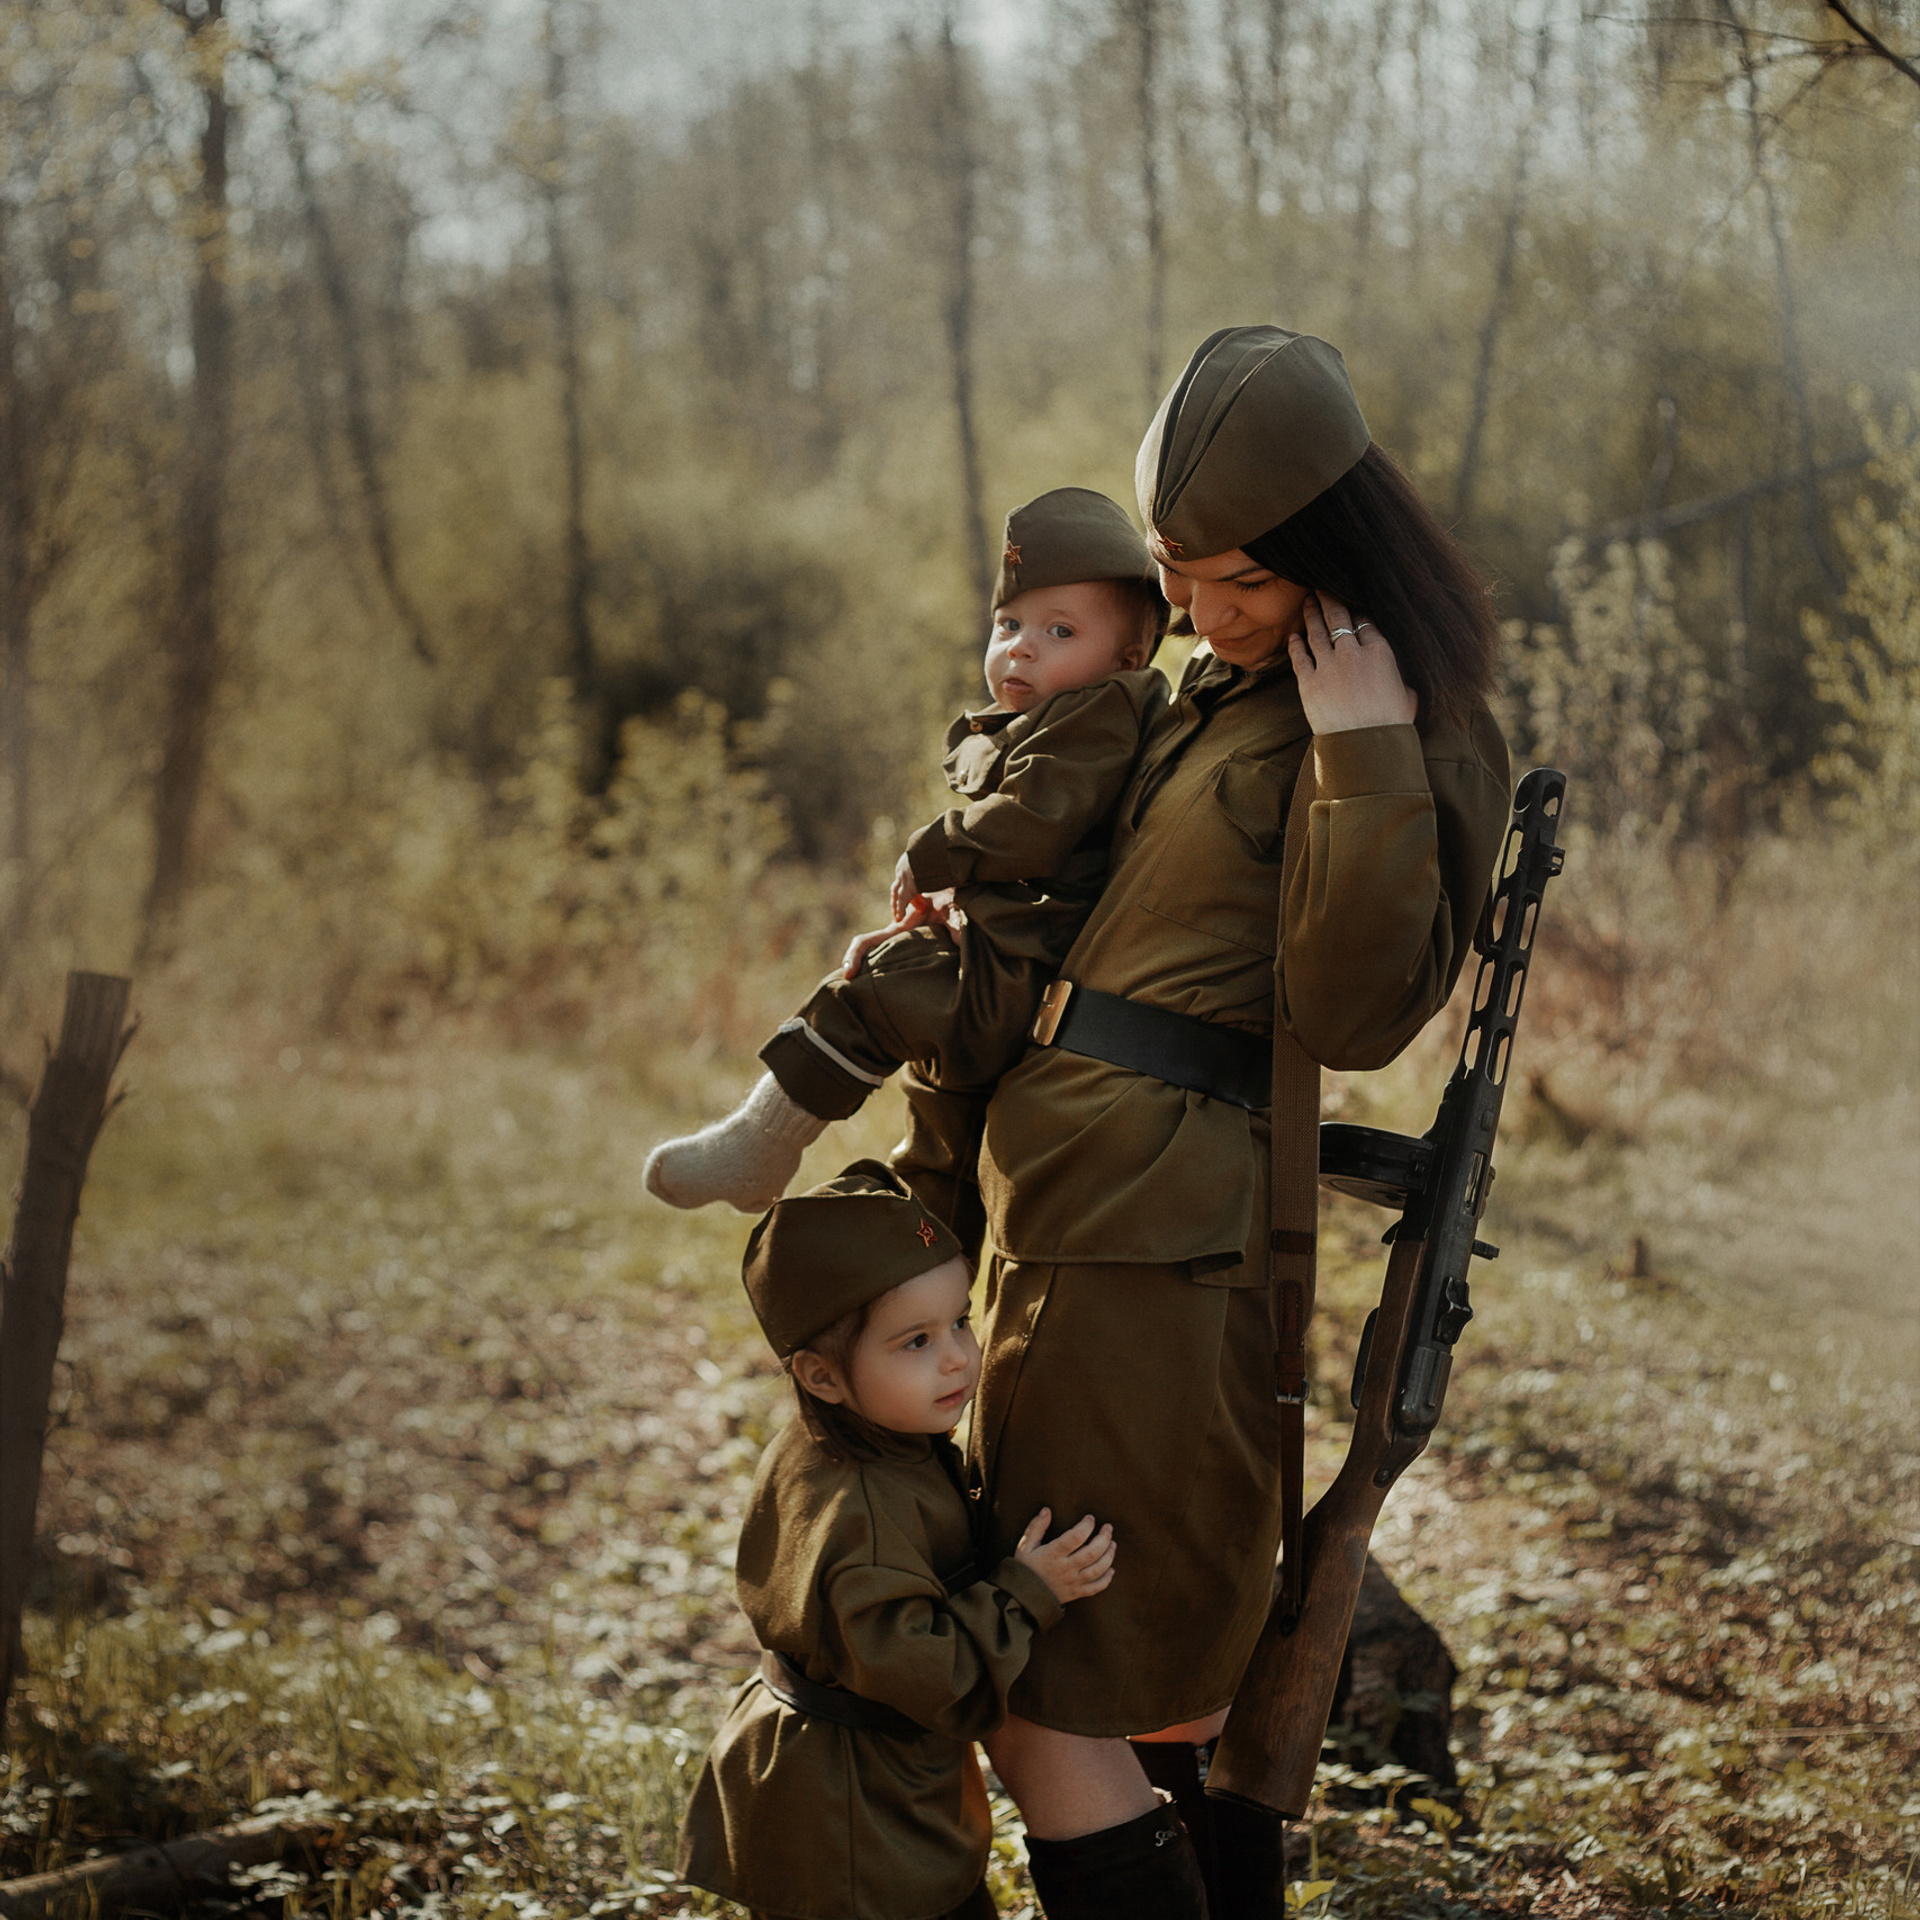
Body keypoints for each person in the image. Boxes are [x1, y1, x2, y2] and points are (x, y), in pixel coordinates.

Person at [953, 327, 1515, 1920]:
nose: (1200, 612)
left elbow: (1354, 1014)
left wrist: (1366, 752)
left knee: (1064, 1680)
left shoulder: (1406, 724)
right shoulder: (1216, 688)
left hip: (1160, 1242)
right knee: (1135, 1678)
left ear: (1336, 552)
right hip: (1069, 1209)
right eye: (1178, 575)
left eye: (1242, 580)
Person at [643, 489, 1169, 1239]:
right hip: (1012, 960)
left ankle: (763, 1144)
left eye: (1060, 630)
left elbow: (1034, 823)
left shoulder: (1103, 712)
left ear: (1128, 658)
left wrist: (933, 852)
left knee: (877, 989)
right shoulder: (1066, 715)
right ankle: (929, 1277)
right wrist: (953, 895)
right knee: (939, 1150)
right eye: (1009, 624)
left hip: (1023, 976)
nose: (1021, 647)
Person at [676, 1161, 1169, 1920]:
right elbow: (932, 1676)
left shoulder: (847, 1440)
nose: (958, 1356)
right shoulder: (864, 1511)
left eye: (960, 1321)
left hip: (853, 1784)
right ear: (822, 1376)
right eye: (915, 1341)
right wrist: (1027, 1592)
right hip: (854, 1819)